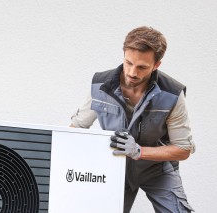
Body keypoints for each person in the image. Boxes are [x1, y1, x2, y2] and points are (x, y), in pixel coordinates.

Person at [70, 26, 195, 213]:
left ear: (156, 65)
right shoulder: (100, 85)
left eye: (142, 67)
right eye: (128, 63)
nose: (132, 72)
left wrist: (139, 151)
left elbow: (183, 150)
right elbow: (76, 128)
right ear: (123, 55)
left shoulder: (172, 95)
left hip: (157, 170)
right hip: (114, 168)